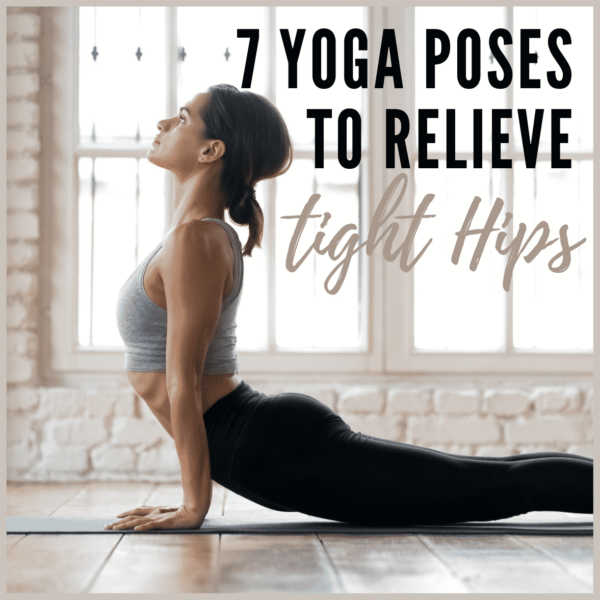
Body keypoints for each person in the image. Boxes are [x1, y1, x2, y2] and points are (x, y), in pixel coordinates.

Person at [107, 84, 593, 531]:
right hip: (264, 441)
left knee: (495, 486)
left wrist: (193, 507)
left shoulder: (196, 239)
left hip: (273, 450)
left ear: (212, 150)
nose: (163, 125)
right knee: (491, 477)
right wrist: (189, 500)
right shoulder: (192, 235)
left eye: (182, 118)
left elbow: (183, 380)